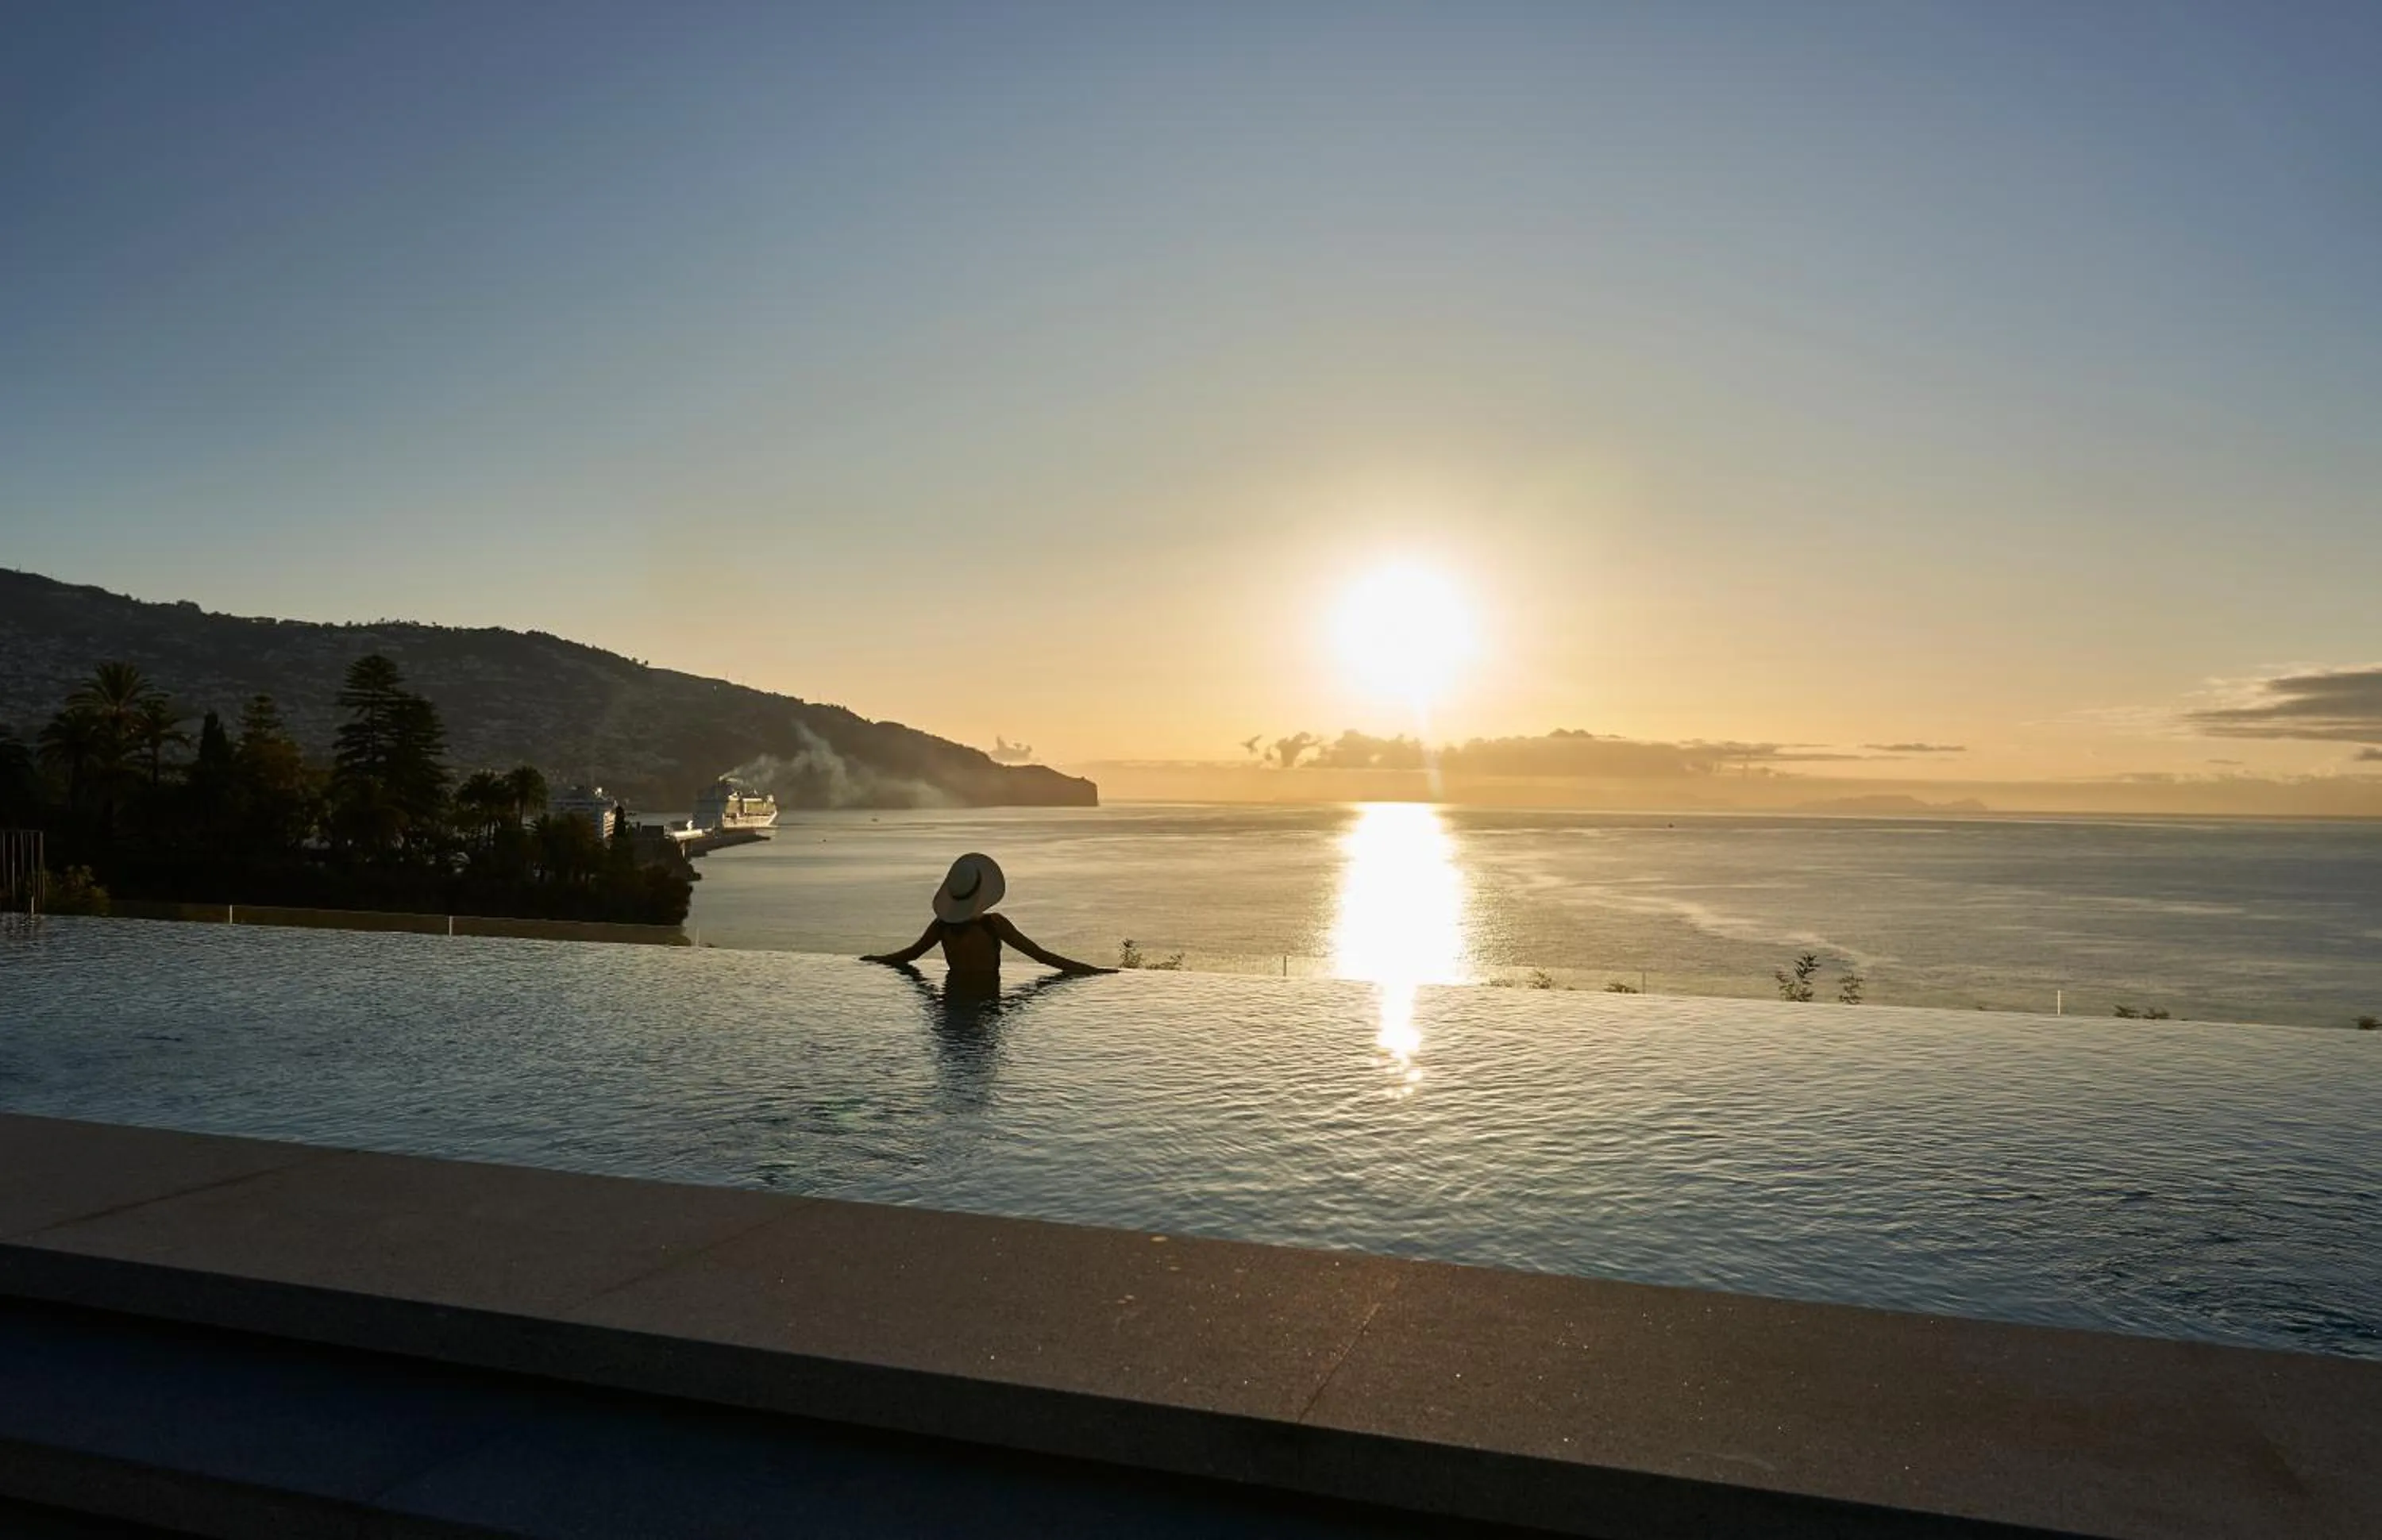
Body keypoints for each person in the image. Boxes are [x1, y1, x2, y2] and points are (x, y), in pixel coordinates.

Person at [860, 853, 1112, 987]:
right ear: (980, 894)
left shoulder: (941, 927)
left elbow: (910, 955)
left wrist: (878, 960)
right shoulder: (993, 924)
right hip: (987, 1000)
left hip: (953, 998)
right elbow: (1040, 956)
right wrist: (1092, 971)